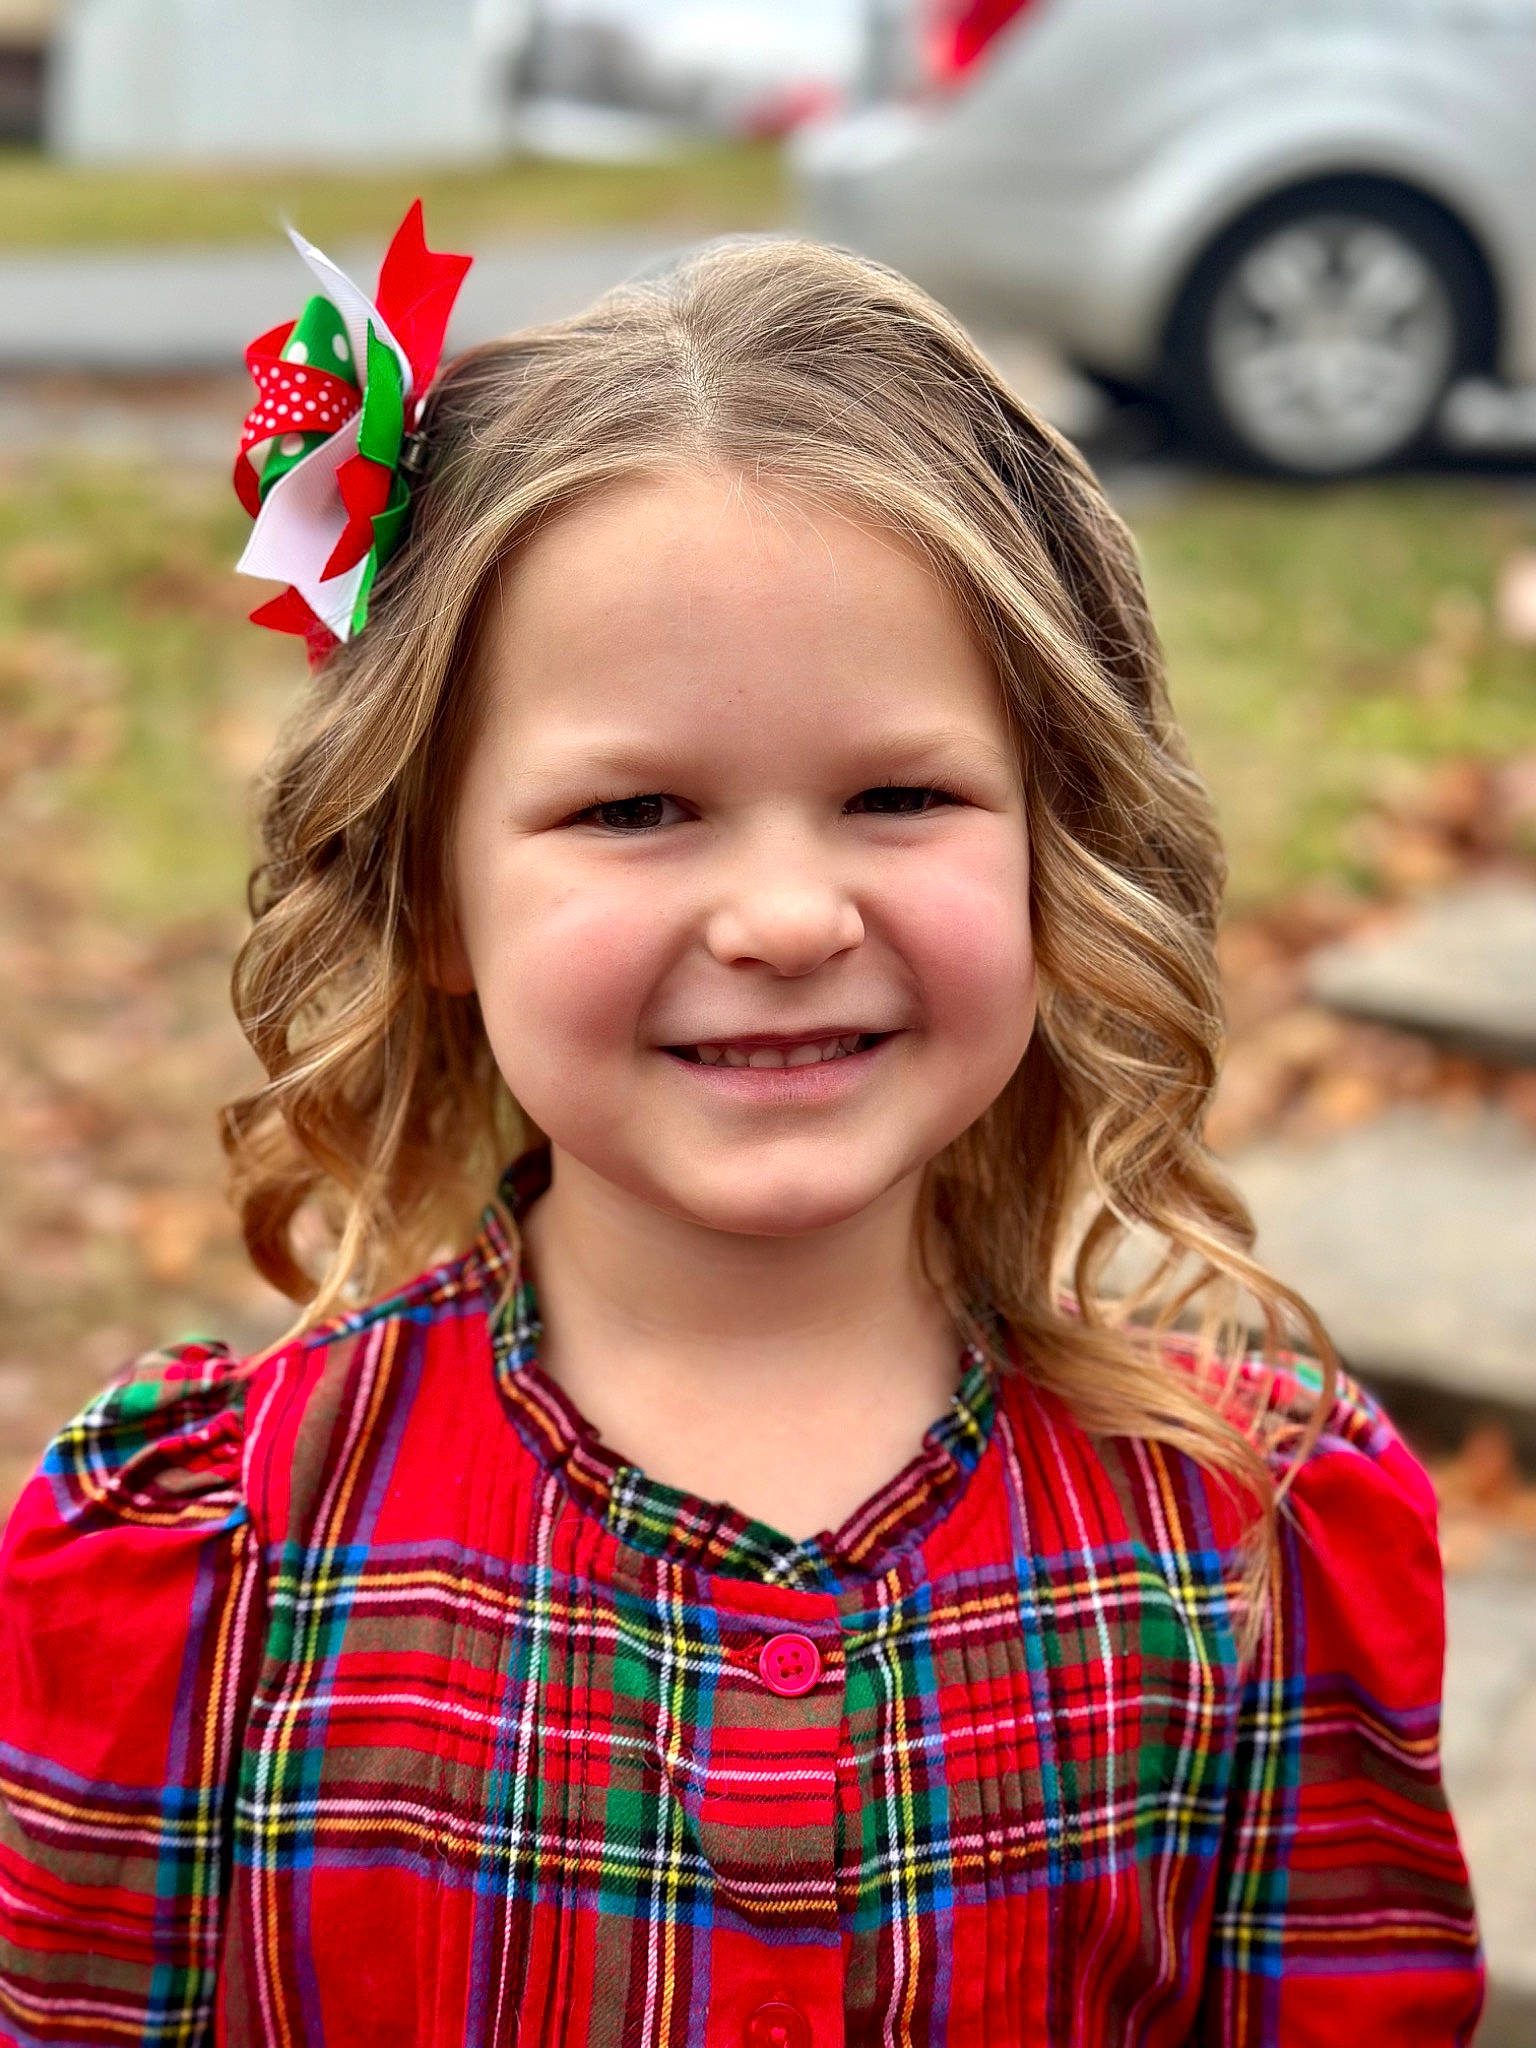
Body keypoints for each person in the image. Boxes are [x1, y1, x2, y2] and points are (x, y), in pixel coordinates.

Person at [0, 206, 1483, 2047]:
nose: (785, 918)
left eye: (897, 793)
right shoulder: (209, 1565)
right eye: (634, 810)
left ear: (1058, 847)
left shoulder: (1254, 1540)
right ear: (434, 899)